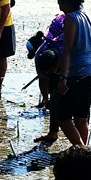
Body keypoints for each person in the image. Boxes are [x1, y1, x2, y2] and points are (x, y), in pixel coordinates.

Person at [53, 0, 91, 147]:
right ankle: (83, 149)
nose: (58, 5)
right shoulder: (89, 16)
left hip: (78, 73)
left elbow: (67, 51)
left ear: (66, 1)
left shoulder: (71, 19)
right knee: (81, 116)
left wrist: (63, 78)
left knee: (63, 117)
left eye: (59, 0)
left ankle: (81, 151)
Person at [30, 11, 65, 144]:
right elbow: (43, 80)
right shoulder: (40, 57)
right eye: (49, 72)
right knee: (54, 100)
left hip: (73, 68)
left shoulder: (65, 53)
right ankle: (53, 133)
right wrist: (46, 98)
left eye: (54, 70)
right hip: (52, 61)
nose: (52, 72)